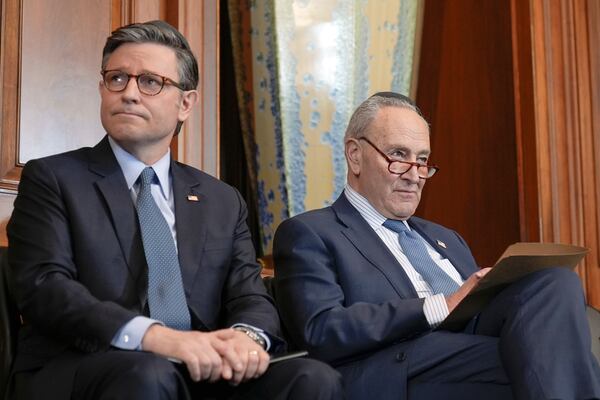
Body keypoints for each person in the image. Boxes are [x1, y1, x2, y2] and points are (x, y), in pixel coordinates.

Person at [6, 20, 342, 400]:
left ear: (186, 103)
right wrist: (154, 337)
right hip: (88, 365)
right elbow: (45, 288)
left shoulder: (222, 199)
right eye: (117, 78)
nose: (129, 93)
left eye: (150, 82)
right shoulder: (53, 177)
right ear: (102, 88)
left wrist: (245, 338)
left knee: (311, 378)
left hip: (198, 368)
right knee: (148, 373)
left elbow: (249, 296)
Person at [273, 91, 600, 400]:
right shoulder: (310, 232)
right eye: (399, 156)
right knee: (549, 359)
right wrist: (438, 306)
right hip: (399, 364)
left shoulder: (446, 237)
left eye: (423, 160)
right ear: (355, 156)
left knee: (554, 282)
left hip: (467, 347)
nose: (414, 175)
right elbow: (321, 329)